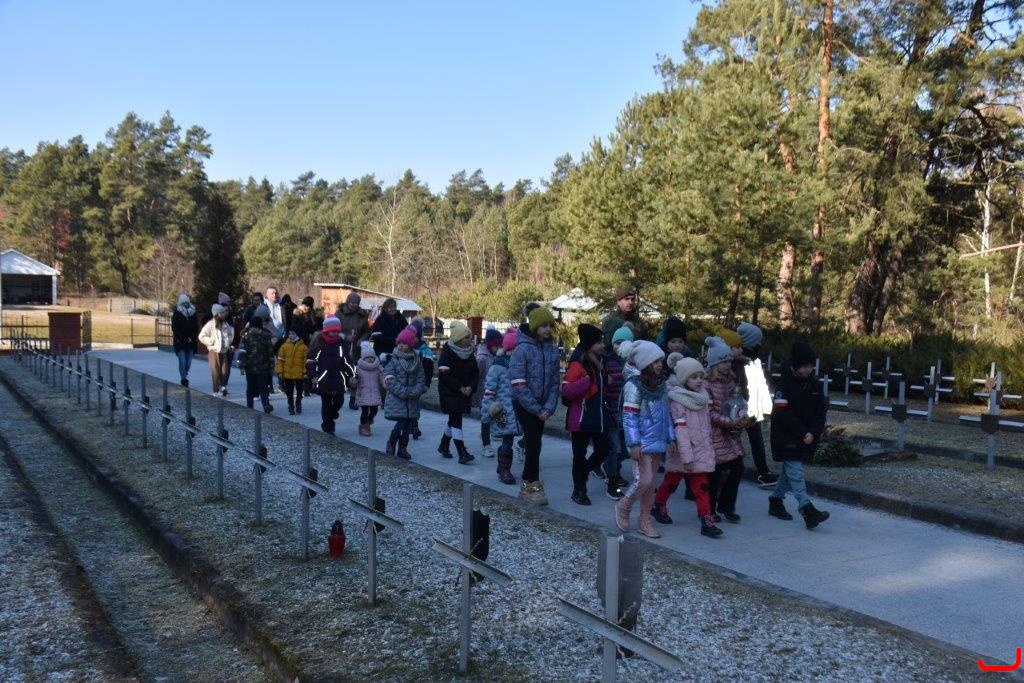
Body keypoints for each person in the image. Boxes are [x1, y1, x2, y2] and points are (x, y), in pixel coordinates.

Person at [652, 356, 722, 538]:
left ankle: (706, 519)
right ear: (684, 379)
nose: (699, 380)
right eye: (694, 377)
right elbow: (681, 431)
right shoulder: (677, 401)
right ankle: (658, 505)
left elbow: (705, 425)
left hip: (700, 449)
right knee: (671, 481)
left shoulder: (702, 398)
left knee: (701, 486)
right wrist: (687, 457)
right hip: (683, 452)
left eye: (701, 376)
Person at [614, 341, 673, 538]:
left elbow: (667, 414)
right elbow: (629, 417)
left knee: (651, 484)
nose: (659, 365)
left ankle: (644, 521)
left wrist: (671, 437)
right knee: (644, 480)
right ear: (644, 363)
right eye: (655, 361)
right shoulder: (633, 386)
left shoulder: (661, 385)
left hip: (657, 441)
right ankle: (624, 506)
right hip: (641, 443)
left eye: (660, 361)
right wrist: (633, 443)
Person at [769, 341, 830, 529]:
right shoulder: (784, 384)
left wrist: (814, 432)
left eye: (811, 366)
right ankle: (807, 510)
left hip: (806, 435)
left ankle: (775, 500)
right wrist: (803, 432)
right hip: (786, 434)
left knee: (789, 472)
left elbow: (820, 412)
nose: (808, 370)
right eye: (804, 366)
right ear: (796, 365)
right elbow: (782, 413)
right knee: (795, 472)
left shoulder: (814, 384)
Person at [510, 307, 561, 505]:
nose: (548, 329)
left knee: (535, 444)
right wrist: (537, 409)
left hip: (542, 407)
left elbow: (555, 382)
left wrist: (548, 407)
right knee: (533, 441)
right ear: (534, 327)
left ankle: (526, 485)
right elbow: (518, 383)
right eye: (543, 326)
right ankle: (532, 485)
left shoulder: (552, 350)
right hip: (524, 404)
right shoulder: (521, 350)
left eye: (550, 325)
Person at [561, 324, 610, 506]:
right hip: (581, 417)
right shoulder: (579, 361)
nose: (603, 345)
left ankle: (584, 473)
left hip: (598, 415)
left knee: (604, 449)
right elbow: (566, 390)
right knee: (579, 455)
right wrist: (586, 381)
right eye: (599, 342)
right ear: (590, 343)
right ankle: (579, 489)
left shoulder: (599, 360)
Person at [705, 341, 753, 523]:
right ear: (715, 363)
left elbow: (735, 403)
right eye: (724, 361)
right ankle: (709, 509)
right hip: (714, 433)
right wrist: (731, 422)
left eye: (729, 361)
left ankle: (726, 505)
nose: (728, 364)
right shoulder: (706, 384)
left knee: (738, 467)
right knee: (714, 473)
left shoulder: (730, 380)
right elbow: (709, 413)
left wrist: (742, 416)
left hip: (729, 433)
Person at [733, 323, 778, 486]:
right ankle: (760, 472)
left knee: (752, 437)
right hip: (742, 405)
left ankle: (761, 471)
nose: (760, 343)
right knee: (740, 438)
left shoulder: (749, 357)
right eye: (758, 340)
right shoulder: (741, 359)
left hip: (750, 404)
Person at [437, 321, 480, 464]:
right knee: (456, 420)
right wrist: (460, 387)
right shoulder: (447, 353)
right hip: (450, 392)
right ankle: (462, 452)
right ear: (458, 339)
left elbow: (475, 373)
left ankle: (444, 445)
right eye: (467, 337)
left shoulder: (469, 354)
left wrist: (471, 387)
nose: (469, 340)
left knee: (454, 419)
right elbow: (445, 376)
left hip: (464, 392)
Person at [482, 329, 520, 485]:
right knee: (508, 440)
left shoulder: (520, 366)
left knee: (510, 439)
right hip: (503, 410)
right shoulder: (497, 367)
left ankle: (502, 466)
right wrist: (486, 413)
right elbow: (489, 391)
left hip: (517, 409)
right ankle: (505, 469)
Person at [382, 326, 426, 460]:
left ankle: (403, 448)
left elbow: (421, 378)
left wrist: (415, 392)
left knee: (407, 425)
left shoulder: (416, 361)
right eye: (399, 343)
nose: (401, 345)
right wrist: (403, 392)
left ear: (411, 345)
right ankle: (391, 442)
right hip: (398, 398)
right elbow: (389, 379)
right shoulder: (393, 360)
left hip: (411, 399)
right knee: (401, 423)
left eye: (404, 343)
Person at [306, 316, 354, 434]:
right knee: (326, 403)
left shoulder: (341, 343)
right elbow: (311, 361)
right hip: (324, 378)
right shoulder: (319, 343)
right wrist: (313, 375)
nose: (335, 333)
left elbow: (347, 360)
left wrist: (352, 374)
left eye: (337, 331)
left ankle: (332, 414)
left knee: (339, 401)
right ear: (327, 331)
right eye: (333, 331)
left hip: (338, 377)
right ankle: (328, 426)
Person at [601, 323, 634, 500]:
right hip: (611, 410)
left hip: (628, 413)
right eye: (617, 342)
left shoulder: (635, 363)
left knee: (624, 449)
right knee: (614, 447)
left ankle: (610, 468)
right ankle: (612, 482)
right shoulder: (607, 361)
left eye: (624, 342)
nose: (619, 346)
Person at [337, 292, 372, 409]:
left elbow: (367, 331)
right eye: (352, 303)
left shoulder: (362, 315)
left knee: (355, 373)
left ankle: (353, 398)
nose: (354, 305)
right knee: (341, 372)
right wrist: (345, 337)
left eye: (356, 303)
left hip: (356, 349)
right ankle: (338, 396)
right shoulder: (339, 314)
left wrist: (361, 340)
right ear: (348, 302)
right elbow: (334, 331)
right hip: (341, 347)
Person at [475, 327, 503, 458]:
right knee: (485, 418)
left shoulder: (498, 356)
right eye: (496, 346)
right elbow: (476, 376)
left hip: (497, 393)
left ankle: (495, 432)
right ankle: (486, 444)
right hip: (484, 394)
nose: (498, 348)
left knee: (498, 415)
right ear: (490, 345)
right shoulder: (481, 358)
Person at [240, 315, 275, 413]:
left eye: (254, 327)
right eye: (251, 327)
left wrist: (272, 367)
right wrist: (242, 366)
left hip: (263, 367)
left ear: (258, 327)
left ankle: (266, 405)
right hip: (250, 367)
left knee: (263, 386)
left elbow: (270, 353)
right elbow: (242, 352)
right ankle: (249, 405)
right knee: (250, 387)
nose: (252, 329)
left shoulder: (265, 336)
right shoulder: (246, 337)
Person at [198, 303, 234, 397]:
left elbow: (230, 334)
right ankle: (216, 390)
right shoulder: (210, 324)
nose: (224, 314)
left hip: (223, 351)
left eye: (224, 312)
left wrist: (228, 343)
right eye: (221, 313)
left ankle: (221, 386)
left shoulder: (225, 324)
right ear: (217, 314)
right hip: (214, 351)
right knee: (216, 372)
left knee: (224, 371)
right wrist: (211, 341)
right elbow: (201, 336)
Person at [409, 316, 435, 440]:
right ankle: (411, 425)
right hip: (405, 383)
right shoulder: (405, 349)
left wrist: (426, 384)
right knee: (408, 404)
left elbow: (429, 370)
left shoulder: (425, 351)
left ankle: (414, 426)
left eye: (414, 336)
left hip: (418, 384)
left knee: (413, 403)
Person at [276, 324, 308, 415]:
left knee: (299, 390)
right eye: (290, 333)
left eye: (293, 333)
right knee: (289, 391)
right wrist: (280, 371)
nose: (291, 335)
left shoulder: (303, 347)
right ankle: (290, 405)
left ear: (298, 335)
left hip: (299, 373)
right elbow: (280, 360)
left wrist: (305, 372)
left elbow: (305, 361)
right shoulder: (284, 346)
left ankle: (298, 403)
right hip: (287, 373)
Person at [355, 340, 385, 436]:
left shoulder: (378, 367)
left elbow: (382, 377)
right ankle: (364, 427)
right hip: (363, 393)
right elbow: (355, 379)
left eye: (372, 357)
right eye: (368, 357)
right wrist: (353, 381)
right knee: (364, 412)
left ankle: (368, 421)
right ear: (363, 358)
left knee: (374, 411)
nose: (370, 359)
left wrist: (386, 384)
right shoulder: (359, 368)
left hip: (375, 393)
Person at [171, 293, 199, 387]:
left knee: (188, 363)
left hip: (191, 342)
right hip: (180, 342)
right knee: (182, 361)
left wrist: (192, 338)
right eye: (183, 303)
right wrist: (184, 338)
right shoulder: (177, 313)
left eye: (187, 303)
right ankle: (183, 379)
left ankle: (184, 373)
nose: (185, 305)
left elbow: (196, 327)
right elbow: (175, 329)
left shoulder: (192, 313)